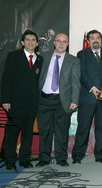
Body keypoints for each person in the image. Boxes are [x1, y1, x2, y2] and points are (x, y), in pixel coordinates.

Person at [0, 29, 43, 171]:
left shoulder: (40, 59)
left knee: (27, 132)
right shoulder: (14, 56)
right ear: (23, 42)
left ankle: (24, 159)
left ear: (37, 44)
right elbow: (6, 79)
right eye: (28, 40)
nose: (30, 42)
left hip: (32, 103)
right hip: (15, 102)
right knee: (12, 132)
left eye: (33, 40)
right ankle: (10, 160)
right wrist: (6, 100)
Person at [36, 33, 81, 167]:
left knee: (62, 131)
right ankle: (44, 158)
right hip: (43, 99)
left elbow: (76, 83)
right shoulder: (43, 57)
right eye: (59, 41)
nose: (61, 44)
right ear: (54, 42)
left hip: (63, 101)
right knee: (44, 130)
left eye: (64, 42)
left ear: (67, 44)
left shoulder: (74, 61)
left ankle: (61, 157)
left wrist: (75, 101)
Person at [72, 30, 102, 164]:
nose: (95, 40)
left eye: (97, 38)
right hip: (87, 97)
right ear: (88, 41)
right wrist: (92, 88)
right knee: (83, 127)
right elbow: (82, 73)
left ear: (101, 40)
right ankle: (78, 155)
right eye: (92, 38)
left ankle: (100, 155)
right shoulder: (82, 54)